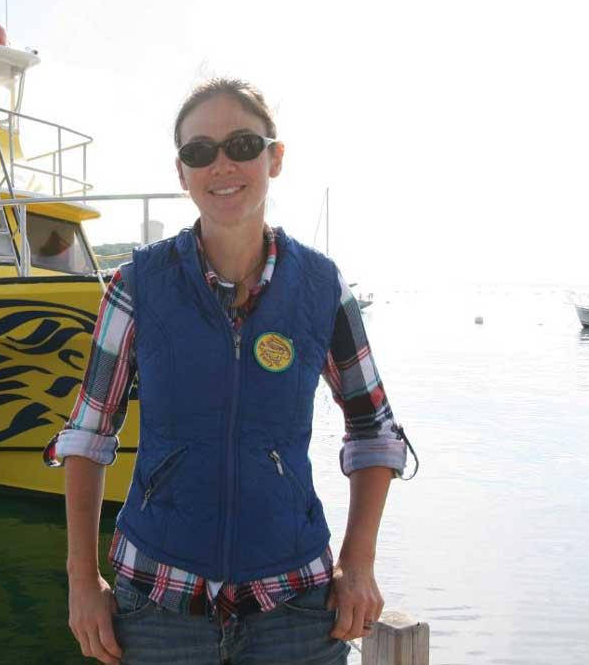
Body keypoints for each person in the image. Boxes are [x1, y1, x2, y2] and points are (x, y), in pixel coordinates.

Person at [43, 78, 411, 664]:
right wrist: (82, 582)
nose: (222, 165)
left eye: (242, 144)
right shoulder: (135, 287)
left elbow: (374, 430)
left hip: (294, 607)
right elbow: (88, 436)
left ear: (275, 157)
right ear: (182, 172)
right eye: (199, 152)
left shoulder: (321, 288)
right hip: (157, 604)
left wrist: (358, 562)